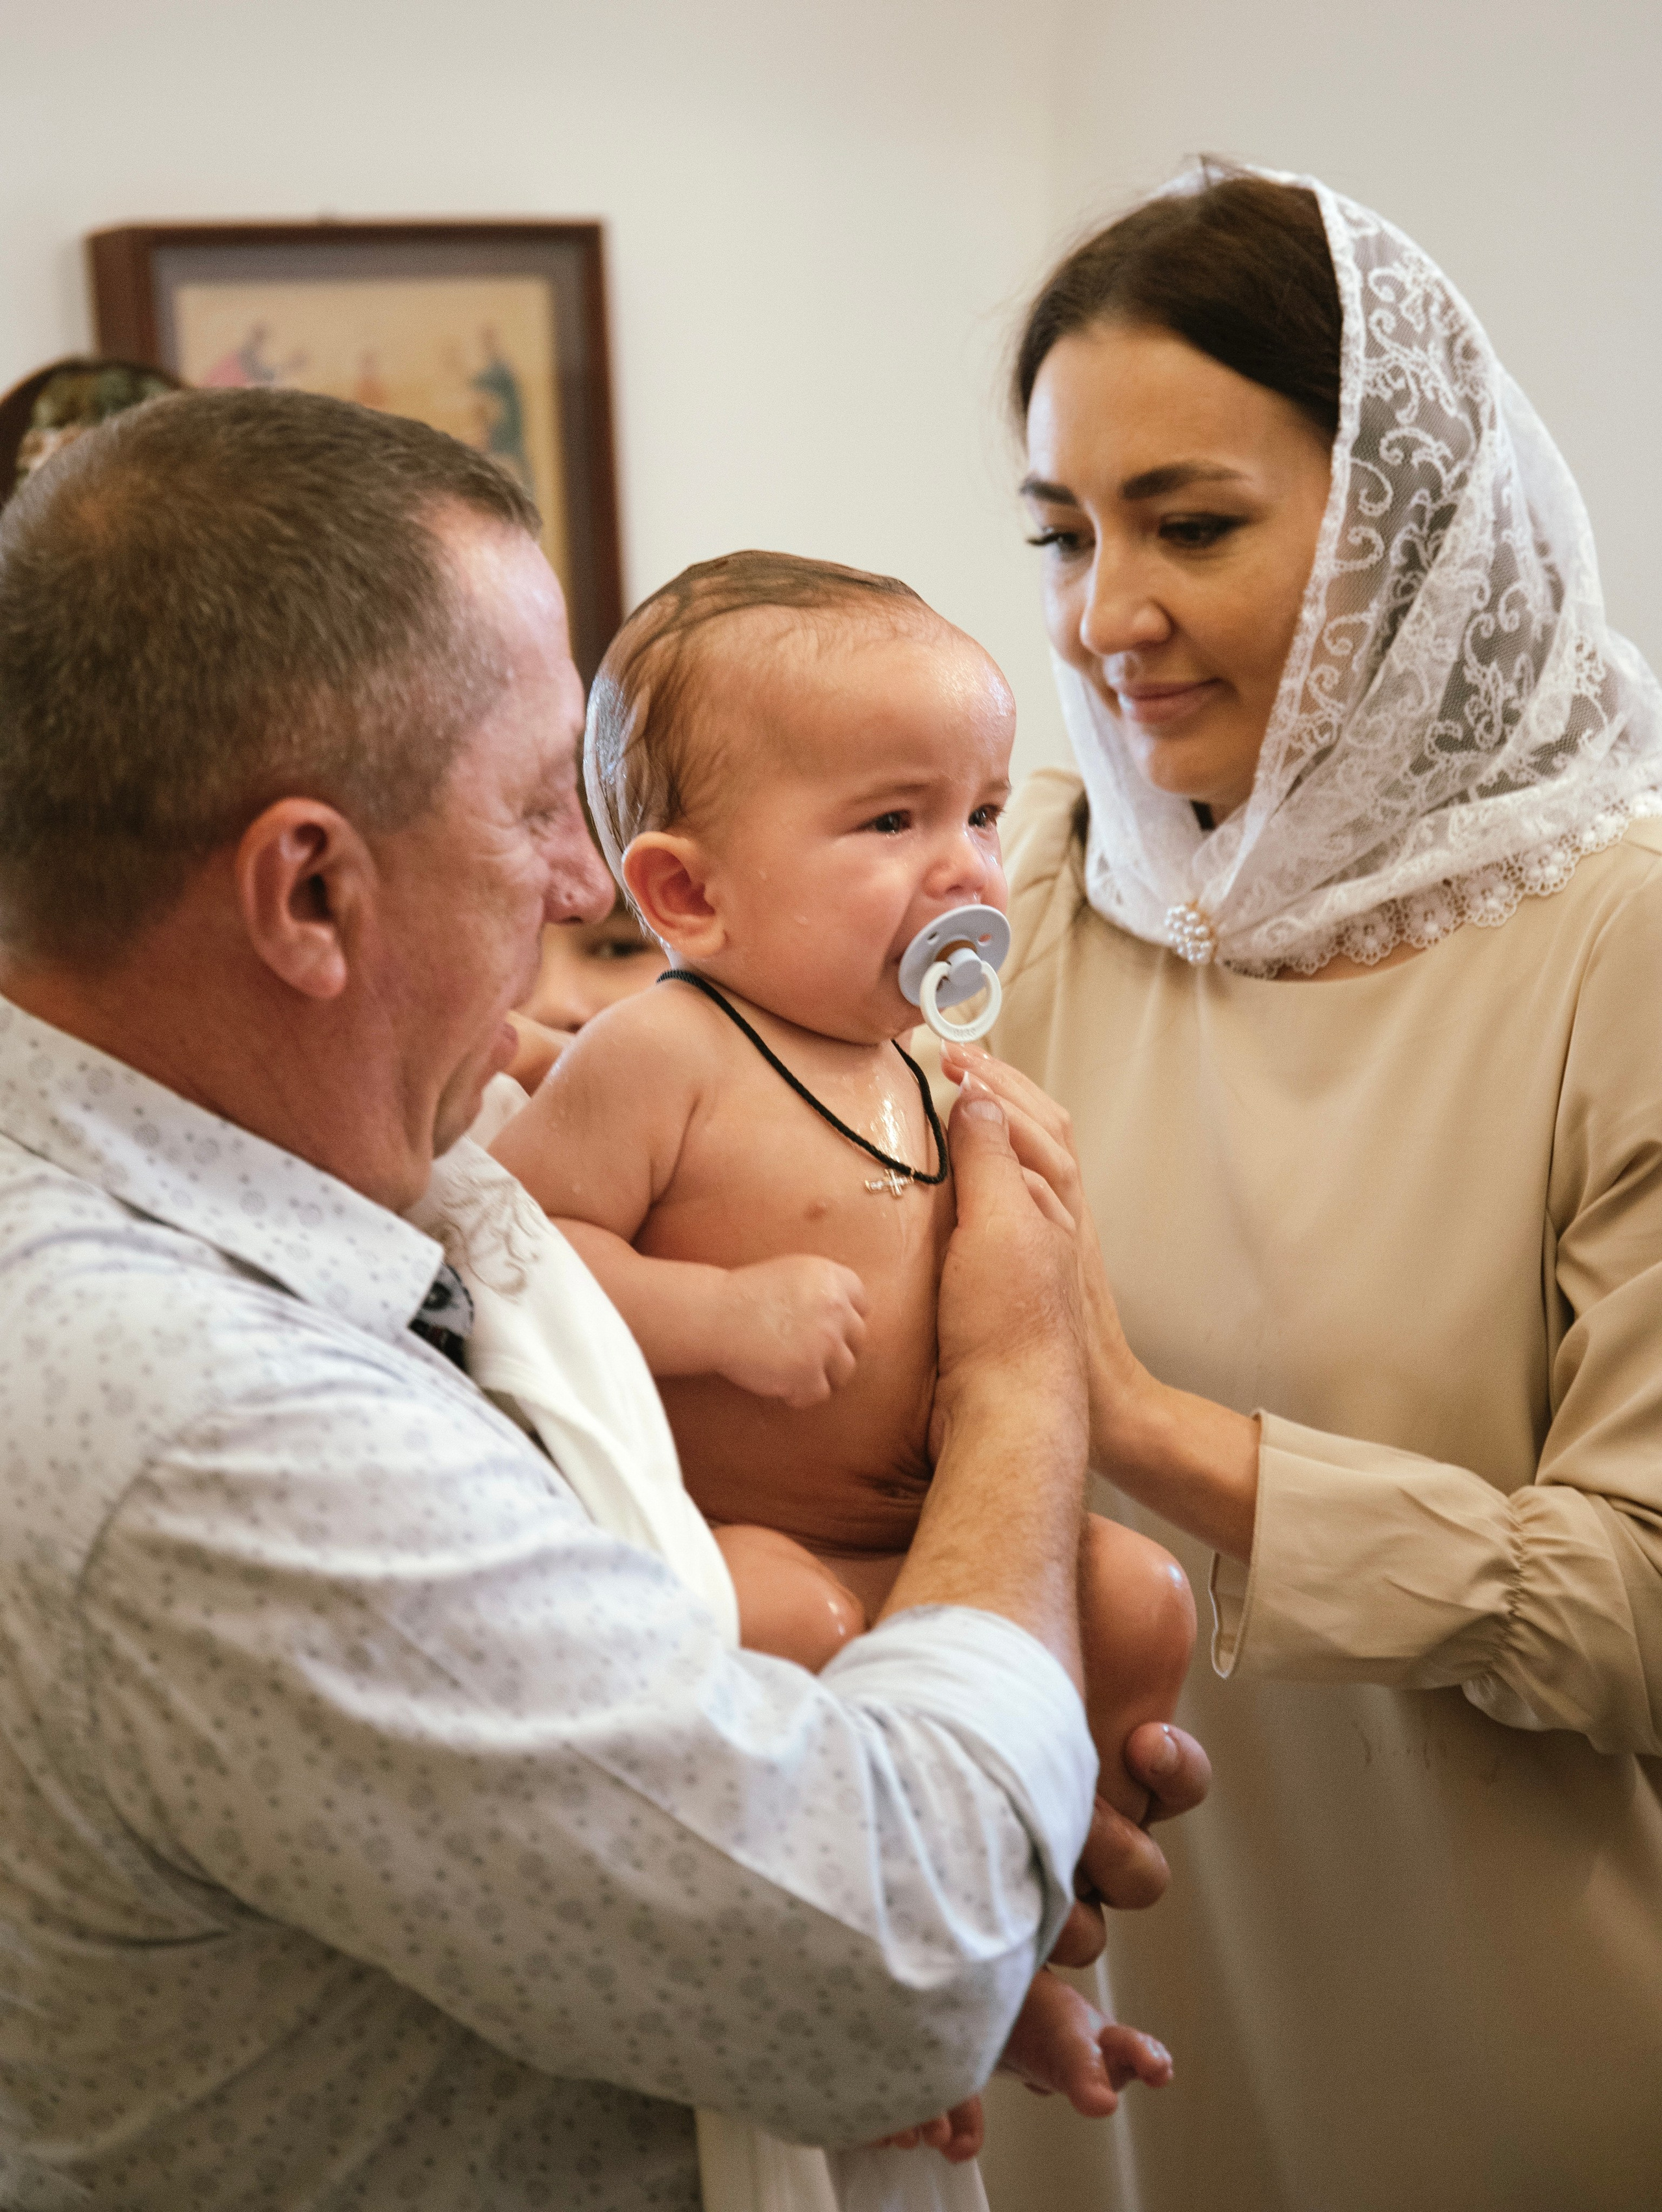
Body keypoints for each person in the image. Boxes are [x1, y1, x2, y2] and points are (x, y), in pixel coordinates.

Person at [0, 386, 1207, 2212]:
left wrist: (928, 1876)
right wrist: (1024, 1375)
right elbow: (890, 1964)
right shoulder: (195, 1423)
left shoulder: (278, 1170)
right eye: (526, 807)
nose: (589, 885)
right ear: (309, 895)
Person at [947, 164, 1662, 2211]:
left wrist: (1147, 1426)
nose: (1105, 615)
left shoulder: (1618, 944)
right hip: (1088, 2060)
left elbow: (1640, 1607)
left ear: (1406, 536)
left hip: (1500, 2068)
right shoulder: (1031, 914)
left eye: (1191, 524)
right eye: (1065, 532)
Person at [486, 551, 1195, 2153]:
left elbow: (1020, 1319)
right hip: (760, 1553)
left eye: (980, 814)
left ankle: (1012, 1930)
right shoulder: (659, 1051)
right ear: (683, 895)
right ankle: (866, 1996)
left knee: (1142, 1598)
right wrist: (717, 1317)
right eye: (890, 823)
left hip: (941, 1553)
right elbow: (514, 1261)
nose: (961, 868)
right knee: (791, 1616)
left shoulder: (937, 1068)